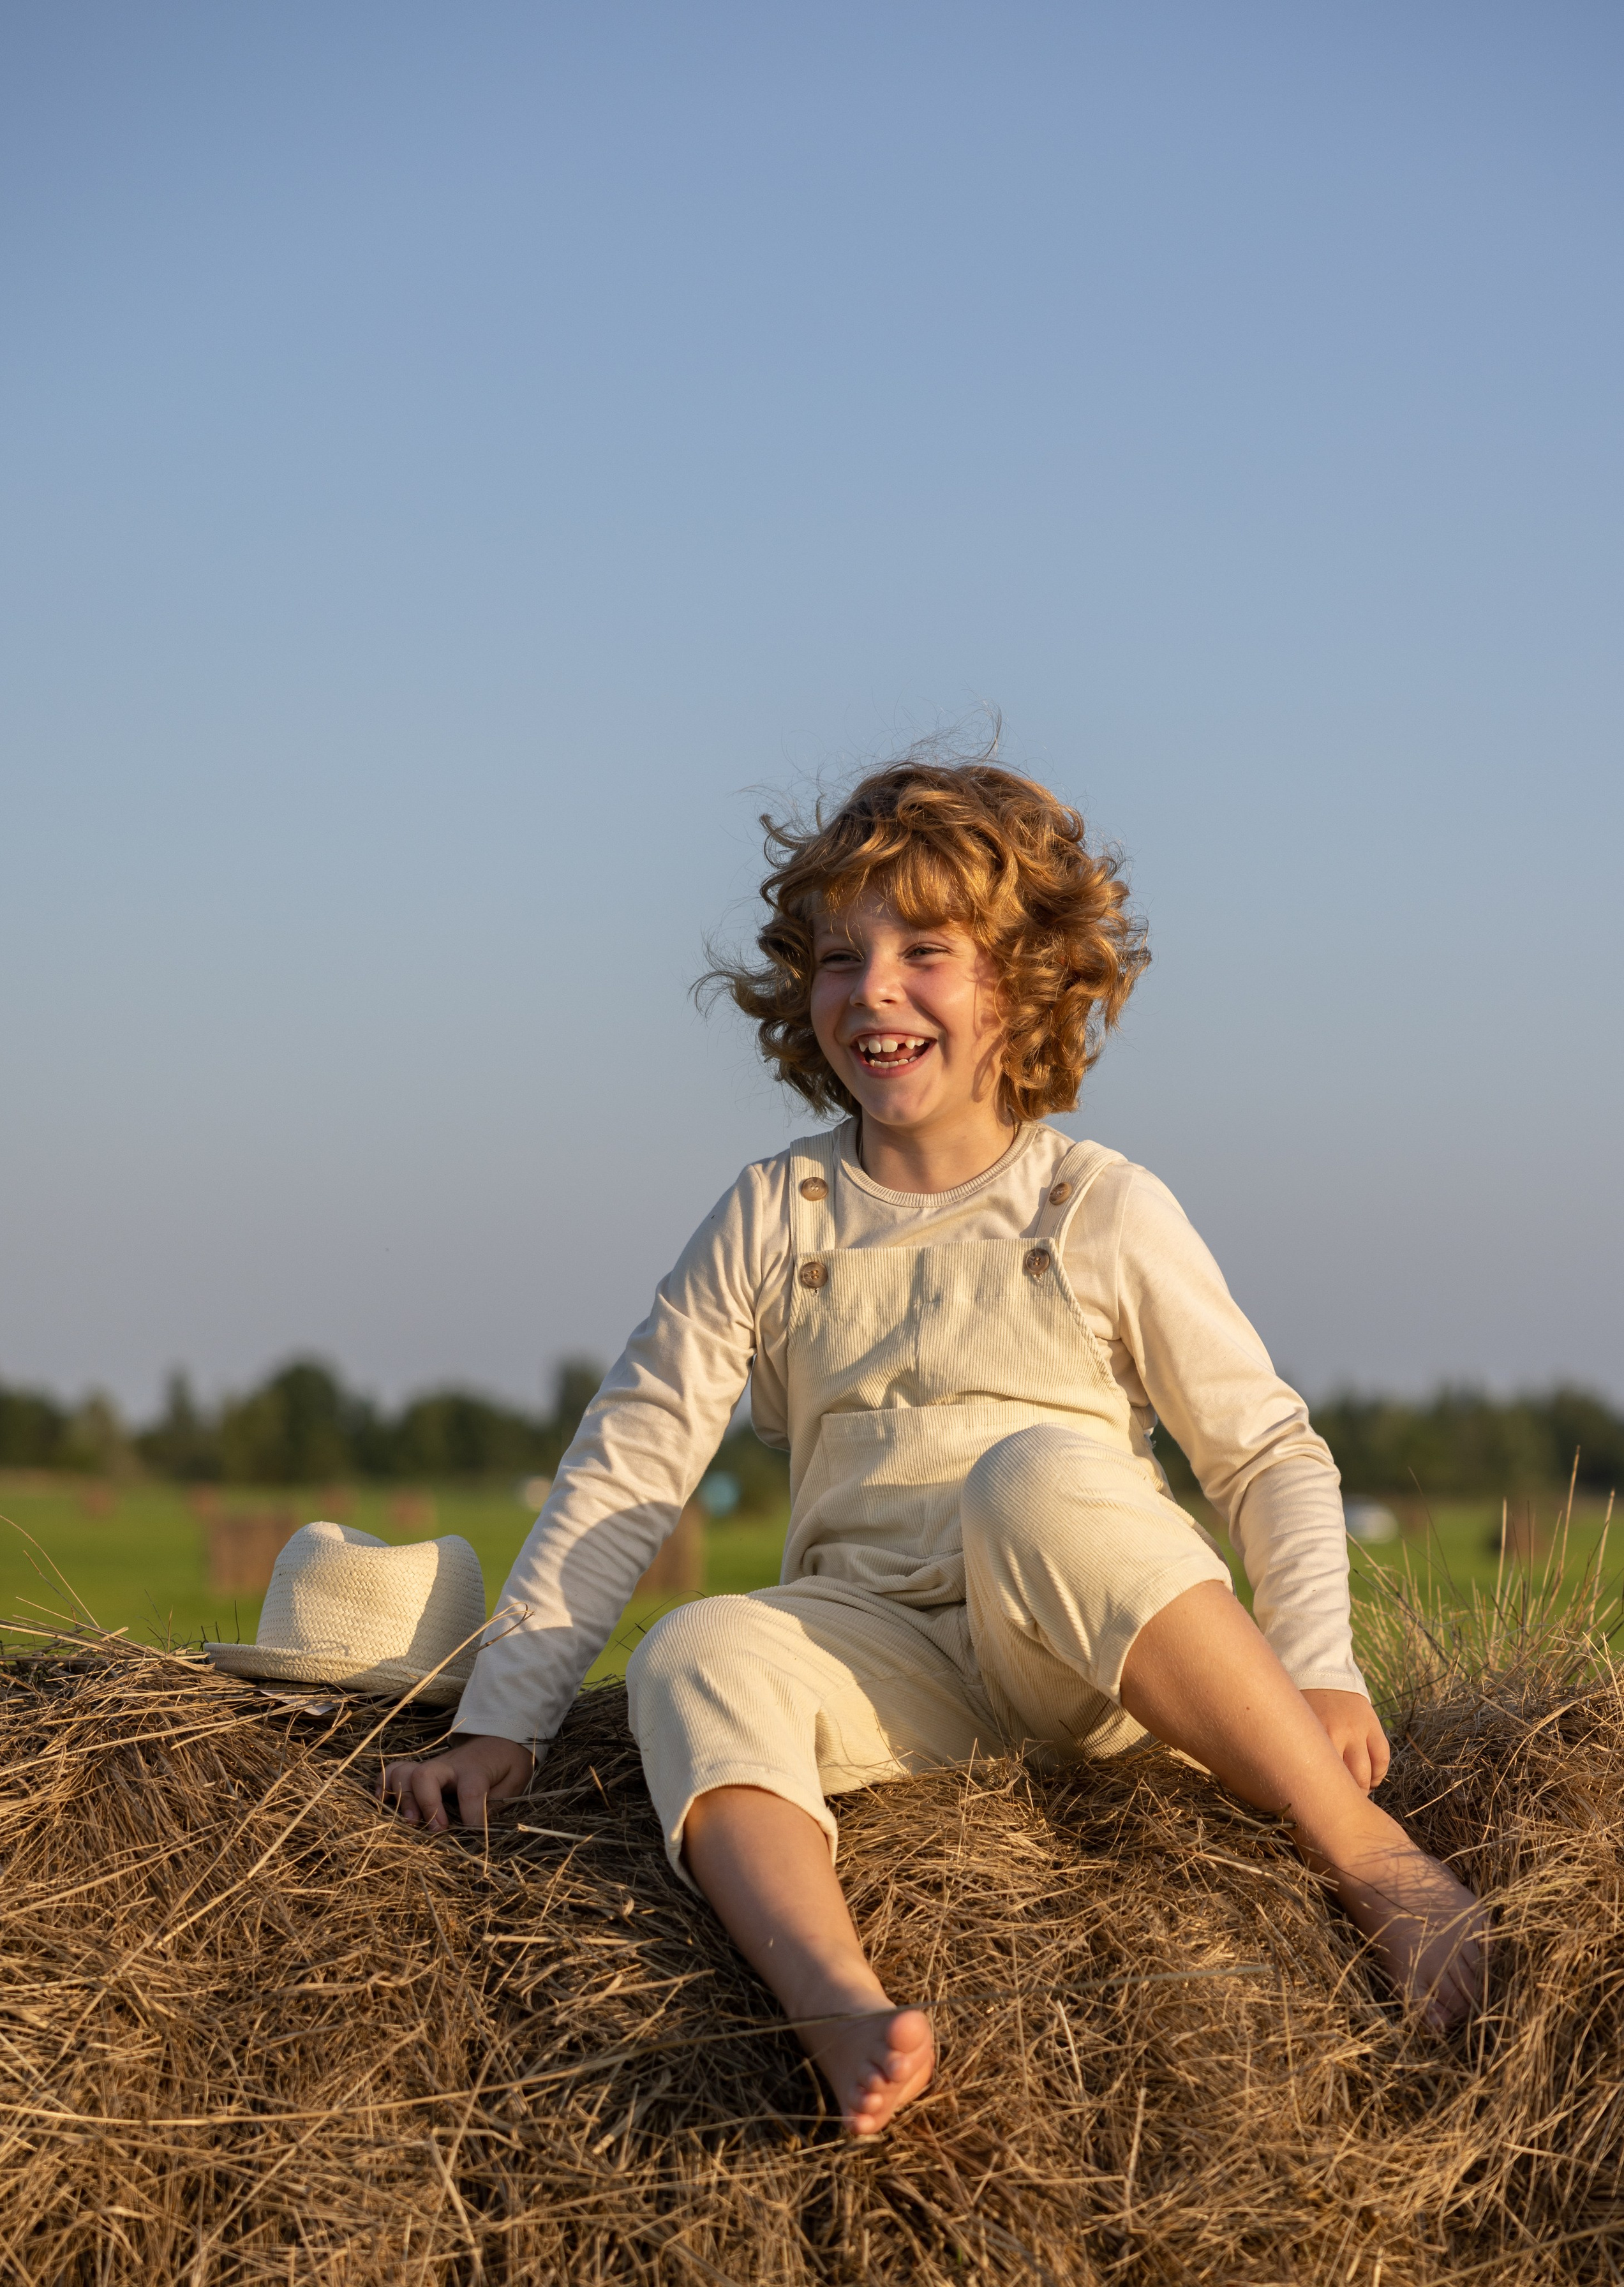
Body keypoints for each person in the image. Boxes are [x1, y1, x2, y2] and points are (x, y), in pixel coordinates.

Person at [383, 754, 1485, 2137]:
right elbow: (635, 1454)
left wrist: (1315, 1666)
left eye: (925, 950)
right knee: (695, 1649)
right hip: (881, 1659)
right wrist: (504, 1719)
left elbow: (1266, 1452)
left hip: (1085, 1649)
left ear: (1022, 986)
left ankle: (1372, 1862)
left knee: (1031, 1479)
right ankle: (838, 2000)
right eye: (839, 956)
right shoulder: (773, 1210)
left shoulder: (1095, 1204)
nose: (874, 989)